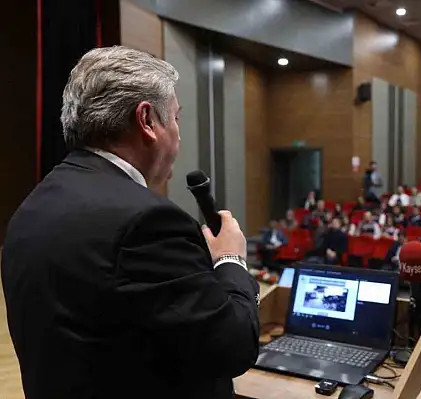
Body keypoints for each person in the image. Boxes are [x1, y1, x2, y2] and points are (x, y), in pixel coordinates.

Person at [1, 47, 260, 399]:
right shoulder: (147, 222)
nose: (179, 136)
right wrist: (231, 260)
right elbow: (232, 347)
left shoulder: (33, 207)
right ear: (147, 121)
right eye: (176, 118)